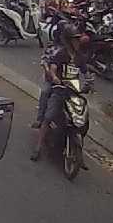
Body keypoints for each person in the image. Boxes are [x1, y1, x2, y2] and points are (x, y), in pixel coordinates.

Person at [30, 22, 90, 162]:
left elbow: (86, 72)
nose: (78, 42)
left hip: (73, 93)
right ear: (69, 41)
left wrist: (89, 82)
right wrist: (55, 77)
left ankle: (79, 151)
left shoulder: (80, 57)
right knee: (49, 116)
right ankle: (38, 147)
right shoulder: (61, 54)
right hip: (60, 90)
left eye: (78, 39)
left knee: (83, 119)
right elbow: (53, 68)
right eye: (75, 39)